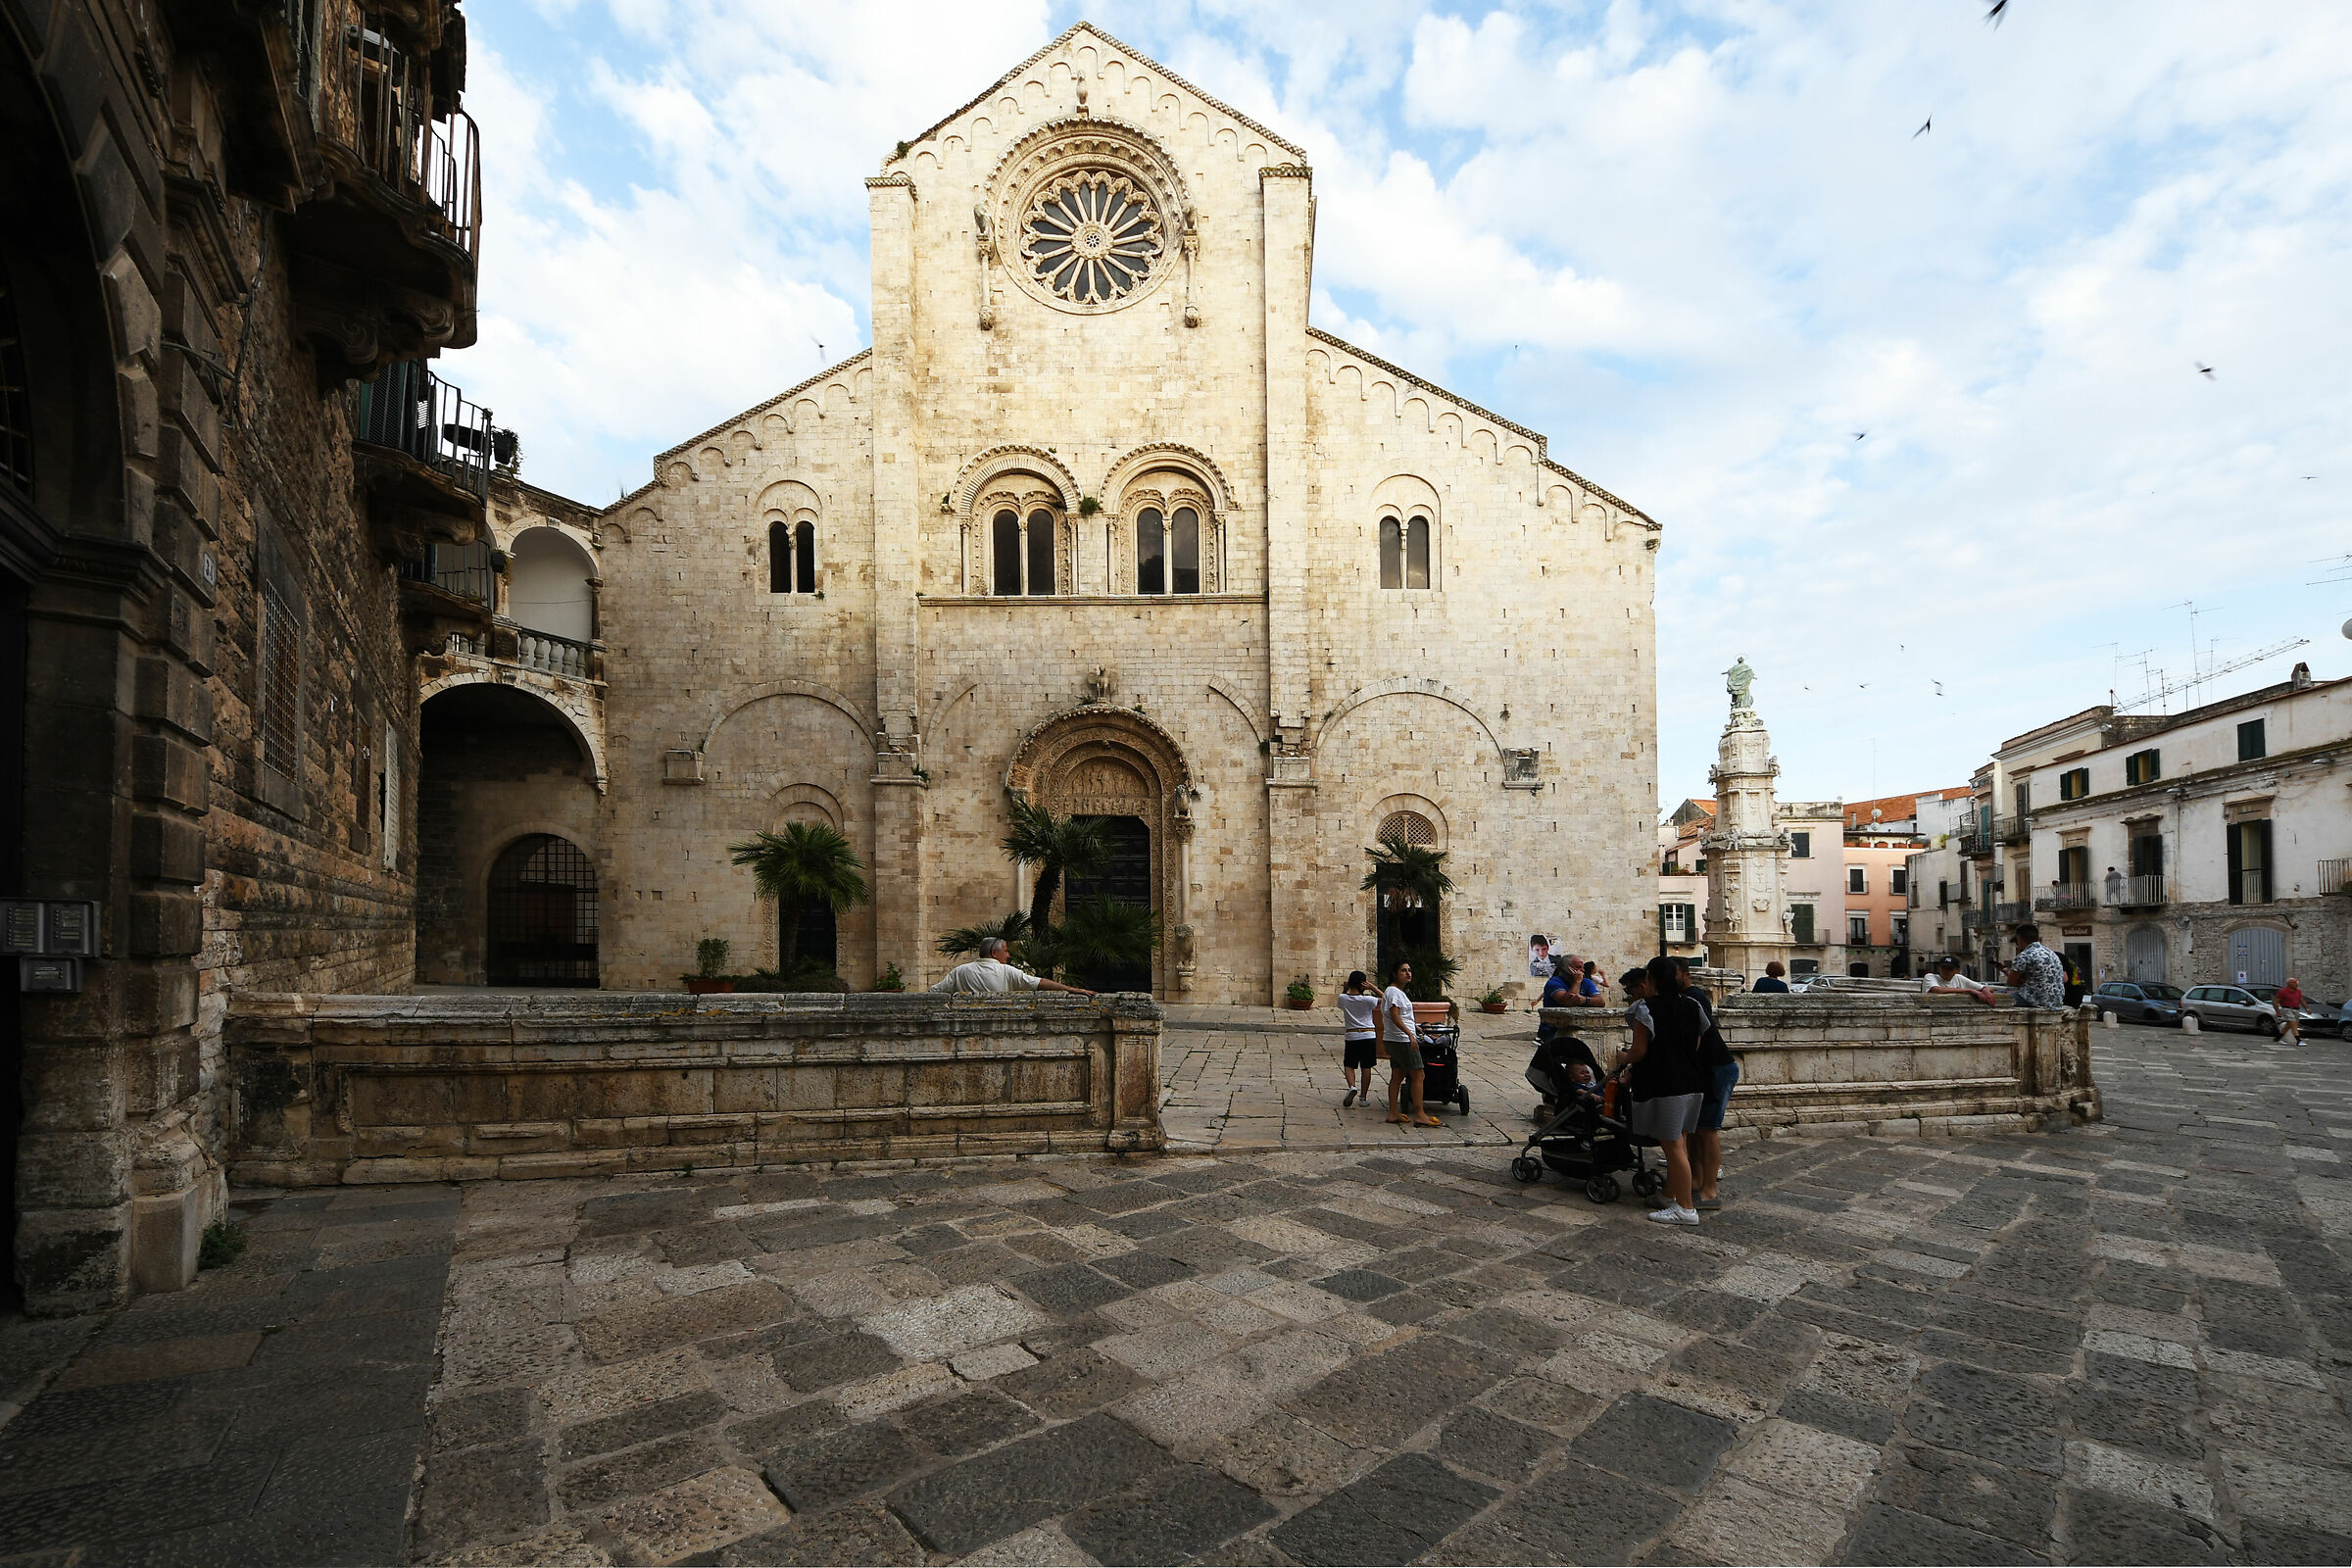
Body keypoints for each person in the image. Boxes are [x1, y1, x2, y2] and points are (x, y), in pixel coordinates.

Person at [1613, 956, 1707, 1225]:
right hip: (1692, 1081)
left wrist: (1623, 1058)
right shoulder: (1693, 1005)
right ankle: (1669, 1195)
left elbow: (1640, 1051)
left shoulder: (1644, 1009)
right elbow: (1697, 1043)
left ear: (1650, 980)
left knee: (1673, 1146)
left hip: (1666, 1083)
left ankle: (1686, 1209)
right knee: (1681, 1142)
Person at [1381, 960, 1440, 1127]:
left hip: (1394, 1038)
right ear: (1394, 974)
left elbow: (1400, 1015)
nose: (1408, 973)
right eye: (1403, 970)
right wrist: (1409, 1034)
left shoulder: (1395, 992)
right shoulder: (1394, 992)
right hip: (1402, 1040)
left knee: (1397, 1075)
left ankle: (1393, 1113)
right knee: (1419, 1075)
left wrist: (1415, 1027)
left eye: (1409, 970)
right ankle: (1419, 1113)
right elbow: (1394, 1015)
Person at [930, 937, 1096, 996]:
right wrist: (1072, 989)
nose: (1008, 955)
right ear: (994, 953)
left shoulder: (960, 971)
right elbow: (1039, 983)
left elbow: (935, 992)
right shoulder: (1005, 971)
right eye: (1006, 951)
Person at [1336, 971, 1381, 1104]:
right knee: (1366, 1066)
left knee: (1349, 1064)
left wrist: (1345, 988)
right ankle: (1363, 1097)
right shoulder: (1369, 1000)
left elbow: (1340, 1003)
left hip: (1352, 1035)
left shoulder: (1343, 998)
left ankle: (1352, 1086)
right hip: (1369, 1035)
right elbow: (1387, 999)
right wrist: (1373, 988)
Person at [2004, 924, 2066, 1009]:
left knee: (1997, 997)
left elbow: (2011, 982)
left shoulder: (2024, 955)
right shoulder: (2051, 953)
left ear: (2019, 938)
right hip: (2056, 1001)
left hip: (2034, 1000)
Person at [1922, 955, 1995, 1006]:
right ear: (1939, 968)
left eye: (1950, 969)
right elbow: (1937, 990)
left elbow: (1985, 987)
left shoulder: (1959, 978)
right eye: (1943, 968)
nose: (1946, 971)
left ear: (1957, 970)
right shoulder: (1930, 977)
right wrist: (1968, 990)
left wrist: (1986, 991)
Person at [2277, 976, 2307, 1045]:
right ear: (2289, 983)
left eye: (2296, 982)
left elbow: (2301, 1000)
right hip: (2287, 1009)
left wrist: (2306, 1008)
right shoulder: (2283, 991)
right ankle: (2298, 1040)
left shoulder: (2298, 992)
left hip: (2296, 1010)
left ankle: (2278, 1038)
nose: (2296, 984)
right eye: (2294, 982)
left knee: (2289, 1025)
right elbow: (2276, 1001)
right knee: (2293, 1024)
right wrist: (2278, 1011)